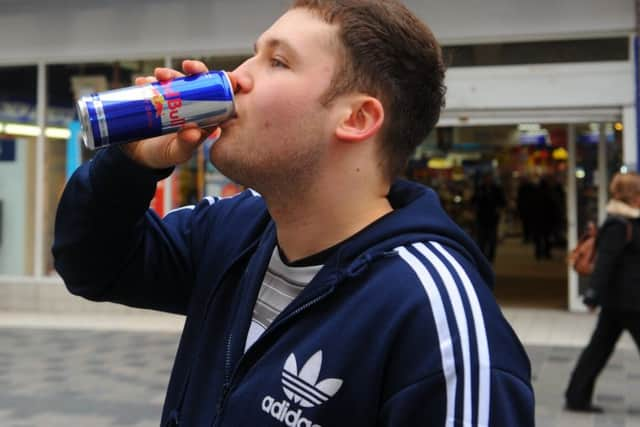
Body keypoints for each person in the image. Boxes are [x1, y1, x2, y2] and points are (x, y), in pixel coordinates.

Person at [53, 1, 534, 425]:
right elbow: (93, 266)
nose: (238, 75)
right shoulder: (234, 230)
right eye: (254, 52)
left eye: (278, 61)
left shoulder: (433, 318)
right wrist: (129, 166)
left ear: (357, 118)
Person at [565, 172, 640, 413]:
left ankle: (576, 396)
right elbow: (606, 262)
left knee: (598, 348)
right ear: (633, 196)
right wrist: (593, 294)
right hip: (628, 301)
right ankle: (576, 396)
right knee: (598, 349)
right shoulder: (618, 224)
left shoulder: (629, 221)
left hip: (623, 302)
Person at [472, 171, 506, 263]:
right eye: (486, 178)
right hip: (482, 217)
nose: (488, 180)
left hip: (492, 218)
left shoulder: (496, 189)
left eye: (489, 178)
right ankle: (482, 257)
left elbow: (502, 202)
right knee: (481, 240)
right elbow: (473, 201)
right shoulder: (480, 189)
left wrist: (498, 209)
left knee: (492, 239)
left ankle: (491, 257)